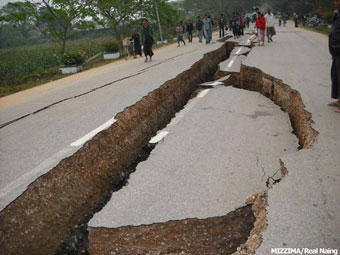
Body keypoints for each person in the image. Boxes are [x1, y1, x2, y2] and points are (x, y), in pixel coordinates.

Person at [328, 0, 340, 113]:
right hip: (336, 52)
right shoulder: (337, 14)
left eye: (337, 0)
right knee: (336, 76)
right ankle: (339, 100)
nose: (335, 2)